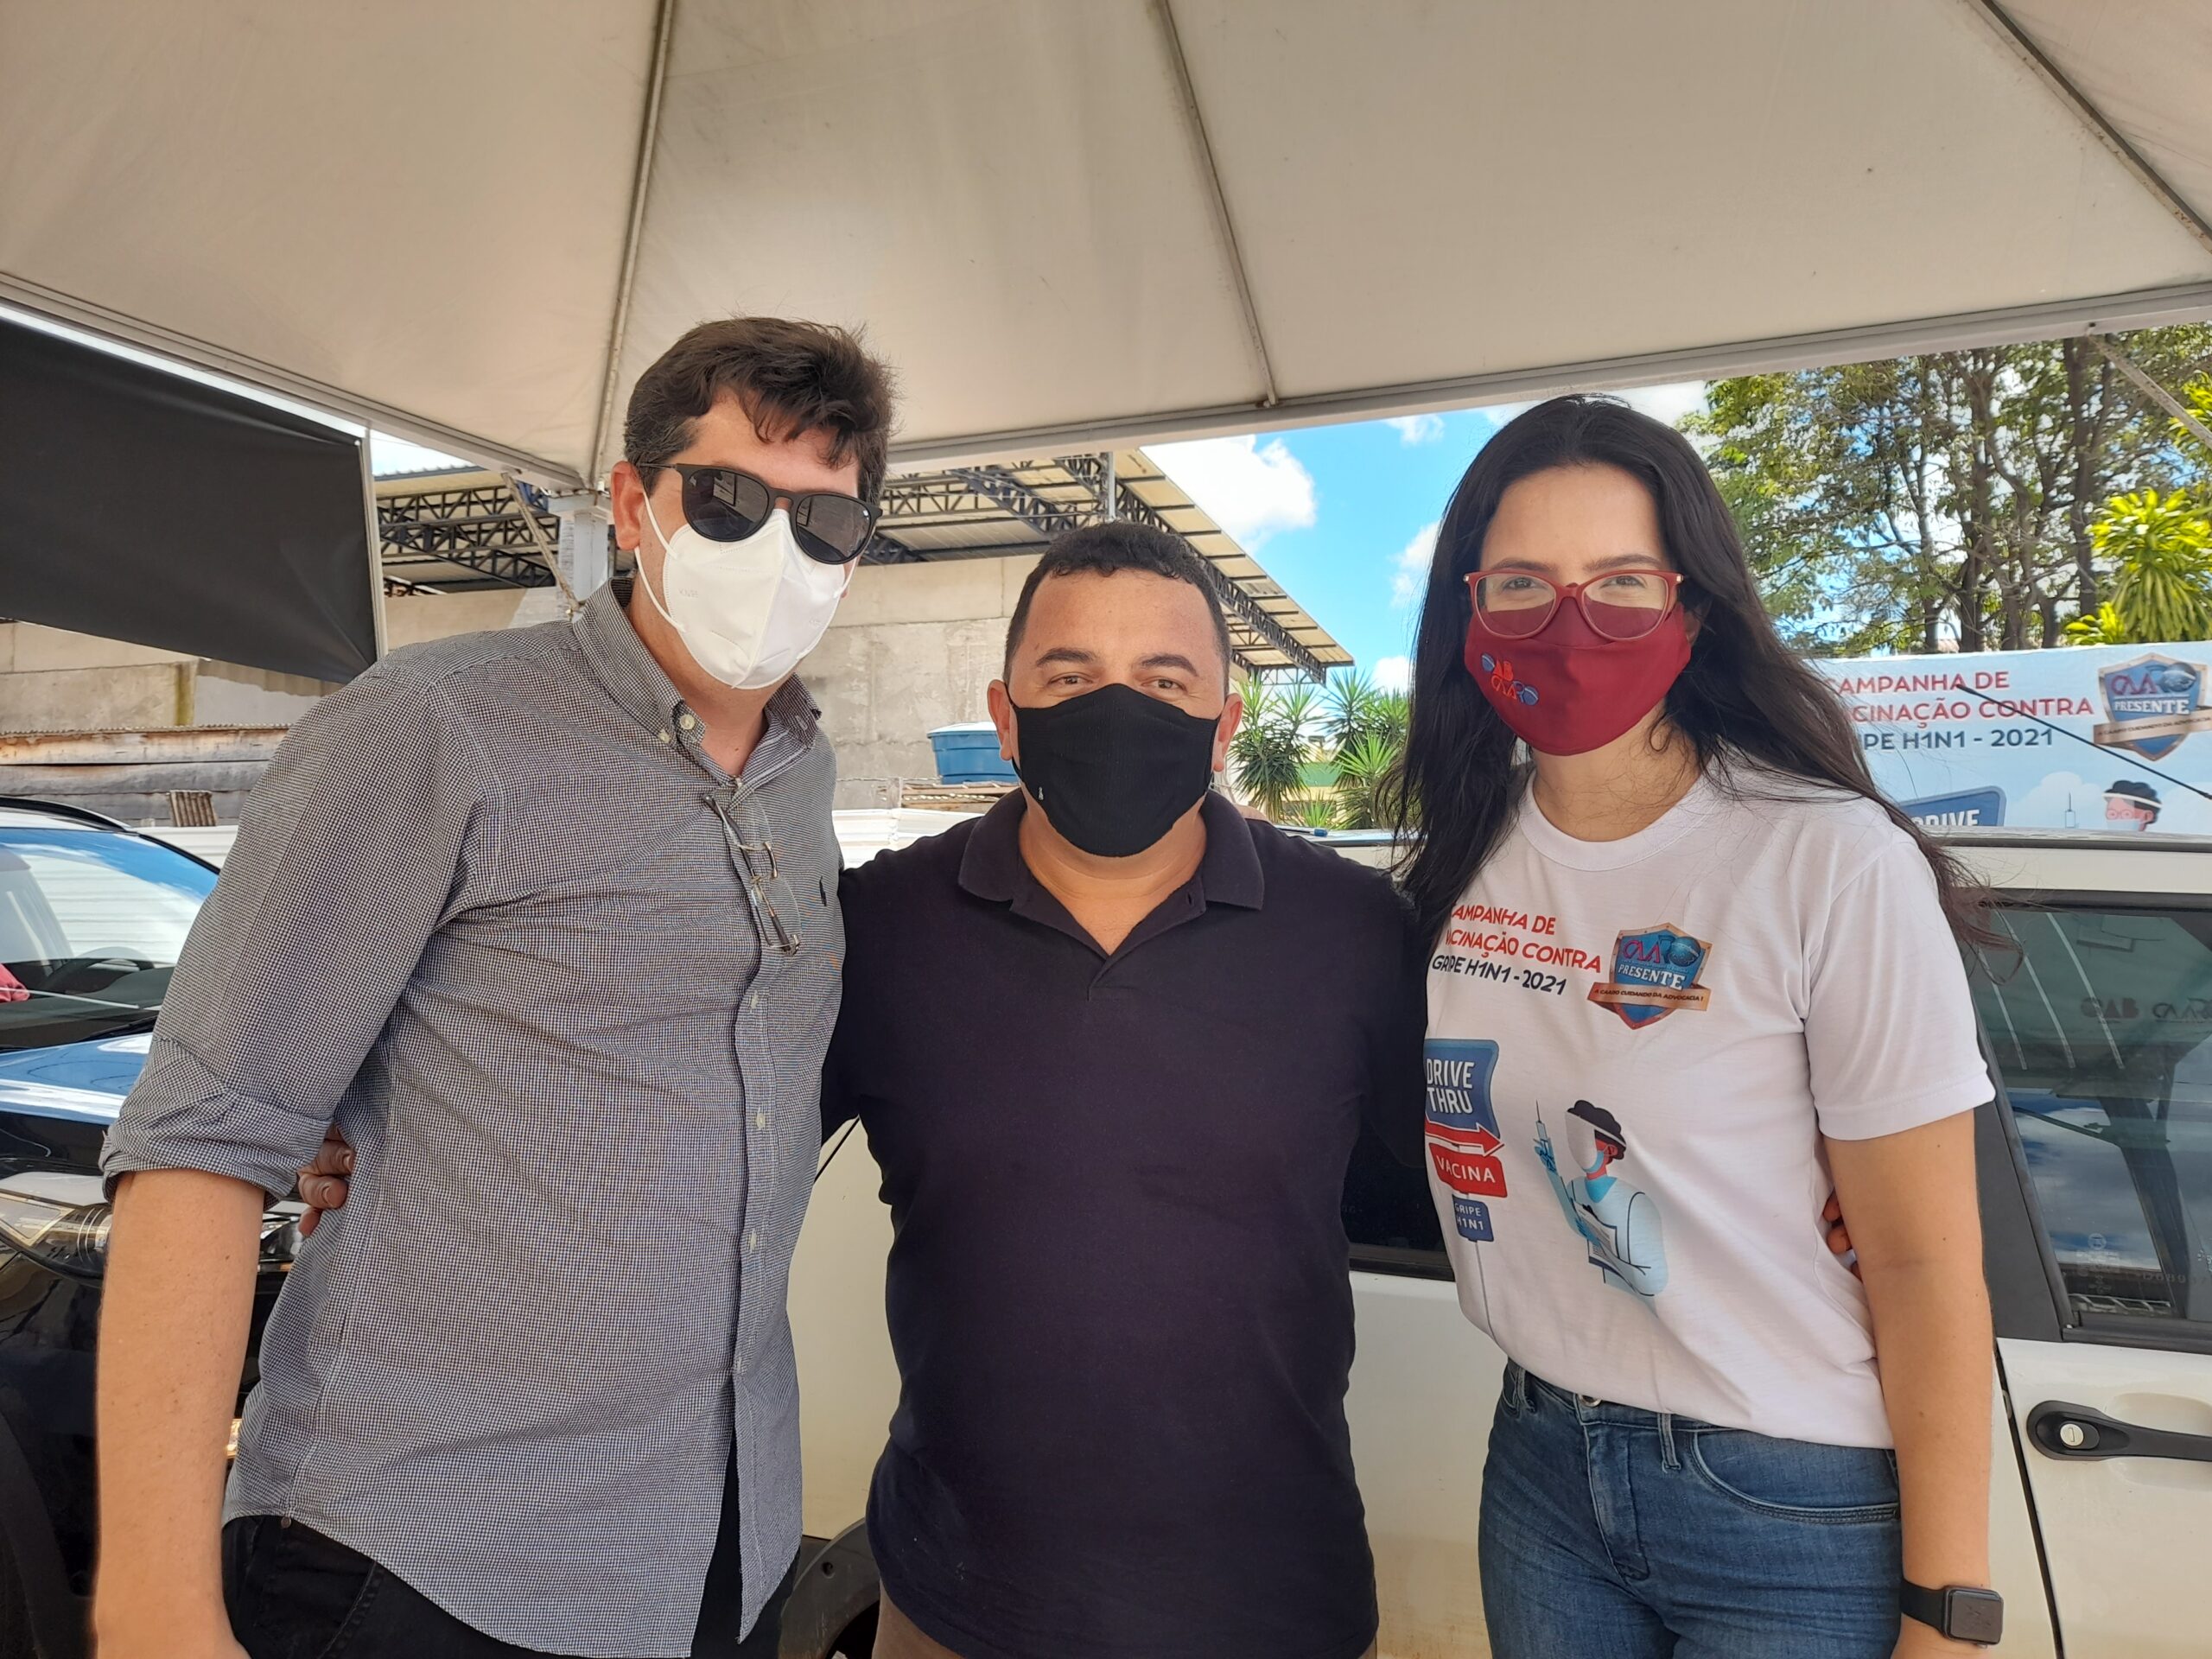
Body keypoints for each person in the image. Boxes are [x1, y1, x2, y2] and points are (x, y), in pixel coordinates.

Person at [302, 521, 1423, 1659]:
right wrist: (385, 1114)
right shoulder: (880, 930)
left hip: (1278, 1605)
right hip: (955, 1600)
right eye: (1071, 676)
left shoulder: (1355, 935)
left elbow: (1471, 1174)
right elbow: (677, 1113)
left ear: (1226, 725)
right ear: (1005, 717)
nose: (1116, 708)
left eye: (1164, 680)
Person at [94, 317, 895, 1659]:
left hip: (716, 1548)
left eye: (825, 519)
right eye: (730, 497)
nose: (778, 549)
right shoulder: (431, 725)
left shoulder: (805, 775)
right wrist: (155, 1607)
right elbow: (202, 1141)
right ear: (633, 503)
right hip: (427, 1560)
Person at [1394, 396, 2004, 1657]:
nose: (1570, 626)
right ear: (1468, 613)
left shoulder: (1826, 859)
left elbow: (1924, 1263)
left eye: (1622, 584)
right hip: (1542, 1464)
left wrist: (1949, 1615)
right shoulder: (1468, 852)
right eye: (1521, 586)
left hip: (1787, 1495)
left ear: (1697, 608)